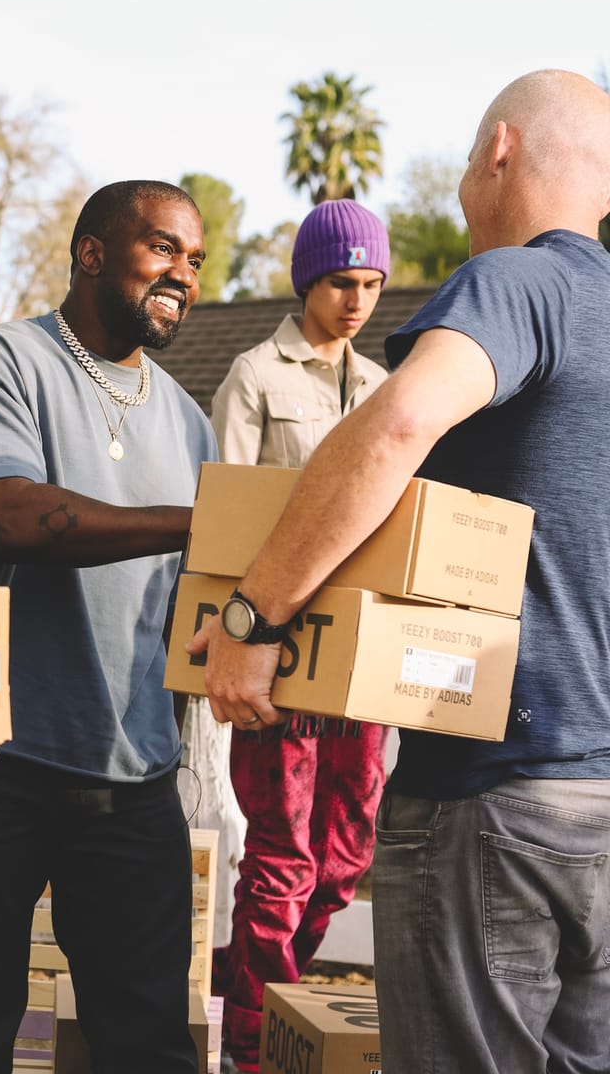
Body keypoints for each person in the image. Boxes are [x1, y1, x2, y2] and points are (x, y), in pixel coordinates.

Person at [188, 69, 610, 1074]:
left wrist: (253, 620)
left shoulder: (515, 283)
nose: (465, 187)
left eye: (467, 163)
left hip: (496, 794)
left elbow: (398, 423)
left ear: (499, 151)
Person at [0, 180, 217, 1074]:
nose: (184, 275)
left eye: (195, 260)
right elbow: (6, 516)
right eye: (163, 248)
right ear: (92, 252)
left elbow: (197, 598)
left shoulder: (190, 422)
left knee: (148, 1043)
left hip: (132, 777)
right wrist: (194, 522)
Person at [208, 200, 390, 1072]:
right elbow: (226, 520)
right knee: (279, 860)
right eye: (340, 283)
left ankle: (274, 994)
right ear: (306, 283)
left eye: (370, 284)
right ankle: (251, 1045)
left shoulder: (391, 384)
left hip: (359, 665)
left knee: (346, 856)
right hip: (276, 658)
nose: (356, 301)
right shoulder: (253, 375)